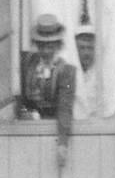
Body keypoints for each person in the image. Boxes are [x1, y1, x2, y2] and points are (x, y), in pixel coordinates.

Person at [19, 14, 76, 167]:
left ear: (57, 45)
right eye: (42, 46)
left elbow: (65, 106)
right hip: (25, 130)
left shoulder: (66, 71)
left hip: (51, 130)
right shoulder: (27, 62)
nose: (45, 51)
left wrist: (62, 142)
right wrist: (24, 112)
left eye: (50, 46)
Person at [72, 23, 102, 120]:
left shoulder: (101, 74)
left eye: (90, 48)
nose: (86, 53)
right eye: (82, 48)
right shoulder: (70, 72)